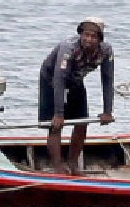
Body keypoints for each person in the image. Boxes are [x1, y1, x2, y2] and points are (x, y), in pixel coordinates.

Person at [39, 17, 115, 175]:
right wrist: (59, 113)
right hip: (52, 80)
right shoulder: (69, 48)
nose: (89, 40)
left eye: (94, 37)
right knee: (55, 125)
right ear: (81, 35)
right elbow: (59, 78)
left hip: (75, 80)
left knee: (82, 121)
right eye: (86, 35)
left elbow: (107, 80)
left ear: (100, 39)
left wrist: (107, 111)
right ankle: (58, 166)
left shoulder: (106, 51)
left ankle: (73, 164)